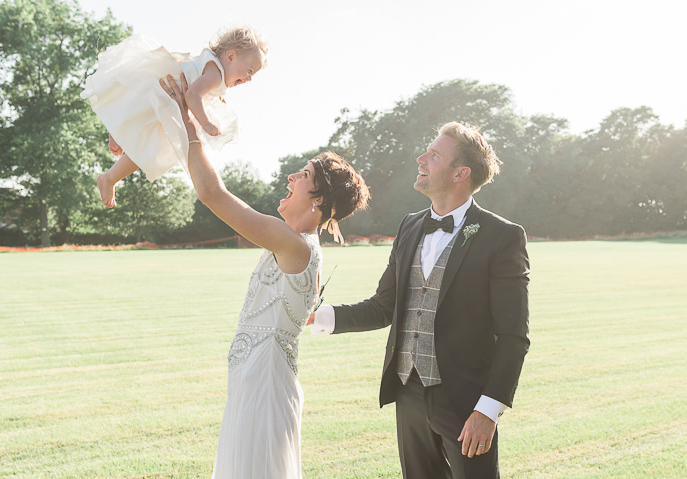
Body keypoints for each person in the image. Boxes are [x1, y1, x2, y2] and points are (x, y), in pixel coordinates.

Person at [160, 73, 370, 478]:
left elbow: (212, 195)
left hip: (265, 386)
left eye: (303, 175)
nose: (291, 176)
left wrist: (188, 120)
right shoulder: (289, 241)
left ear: (319, 200)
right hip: (251, 379)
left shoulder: (296, 245)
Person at [310, 122, 530, 479]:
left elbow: (513, 335)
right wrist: (318, 317)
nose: (421, 158)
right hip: (408, 392)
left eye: (434, 155)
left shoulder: (502, 236)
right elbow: (383, 307)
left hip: (466, 401)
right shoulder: (410, 226)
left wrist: (488, 410)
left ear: (461, 172)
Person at [81, 26, 267, 207]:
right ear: (231, 56)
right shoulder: (215, 76)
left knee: (139, 121)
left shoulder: (212, 66)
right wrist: (206, 123)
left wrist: (215, 97)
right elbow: (192, 95)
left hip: (159, 89)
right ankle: (109, 178)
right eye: (249, 71)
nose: (249, 79)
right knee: (150, 148)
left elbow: (198, 87)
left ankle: (117, 137)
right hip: (167, 97)